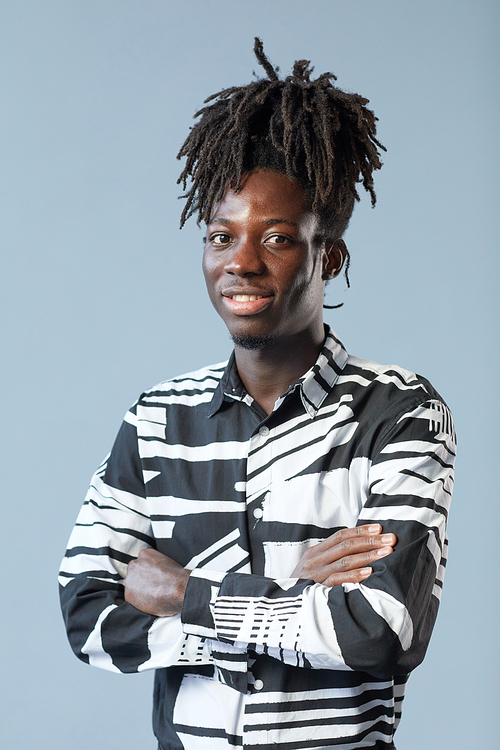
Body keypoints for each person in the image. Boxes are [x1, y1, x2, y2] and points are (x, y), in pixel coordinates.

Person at [59, 39, 456, 750]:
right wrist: (294, 592)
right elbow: (87, 615)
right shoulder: (156, 420)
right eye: (221, 235)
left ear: (327, 255)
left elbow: (383, 632)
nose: (240, 262)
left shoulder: (400, 414)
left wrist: (189, 595)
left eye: (276, 238)